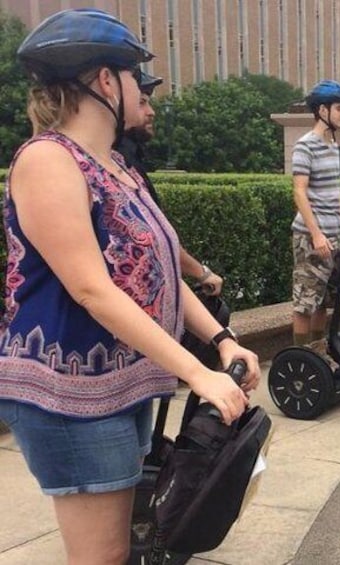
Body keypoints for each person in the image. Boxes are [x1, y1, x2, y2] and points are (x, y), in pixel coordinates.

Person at [0, 10, 260, 564]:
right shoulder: (48, 160)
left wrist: (222, 340)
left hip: (123, 389)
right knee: (103, 556)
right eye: (133, 75)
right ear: (104, 81)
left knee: (124, 547)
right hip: (69, 398)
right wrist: (197, 374)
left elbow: (161, 269)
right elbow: (93, 290)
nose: (143, 89)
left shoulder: (116, 166)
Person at [116, 71, 225, 295]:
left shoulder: (128, 157)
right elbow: (153, 238)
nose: (151, 112)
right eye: (141, 102)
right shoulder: (118, 159)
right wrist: (201, 272)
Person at [291, 80, 340, 351]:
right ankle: (301, 359)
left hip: (334, 235)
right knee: (305, 301)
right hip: (310, 237)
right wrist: (316, 234)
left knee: (324, 301)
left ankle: (318, 353)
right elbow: (299, 191)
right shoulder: (305, 145)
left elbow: (336, 192)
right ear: (322, 110)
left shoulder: (332, 145)